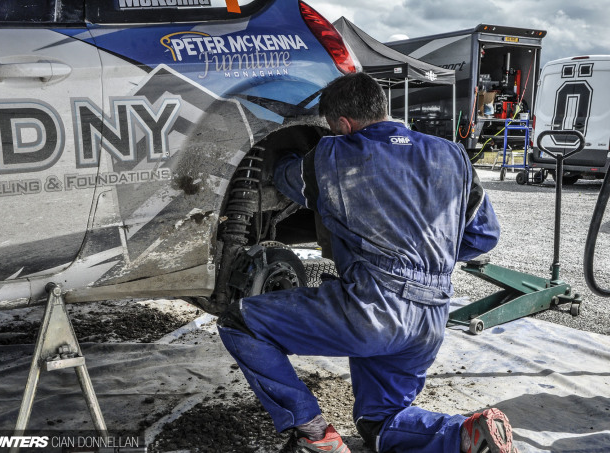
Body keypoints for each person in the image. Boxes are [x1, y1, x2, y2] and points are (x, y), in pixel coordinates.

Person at [217, 72, 510, 453]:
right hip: (431, 318)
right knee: (380, 423)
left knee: (240, 322)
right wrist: (422, 252)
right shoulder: (453, 155)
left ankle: (313, 434)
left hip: (373, 308)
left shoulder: (333, 154)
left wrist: (285, 154)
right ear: (383, 108)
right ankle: (464, 433)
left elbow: (287, 175)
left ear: (342, 124)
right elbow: (483, 236)